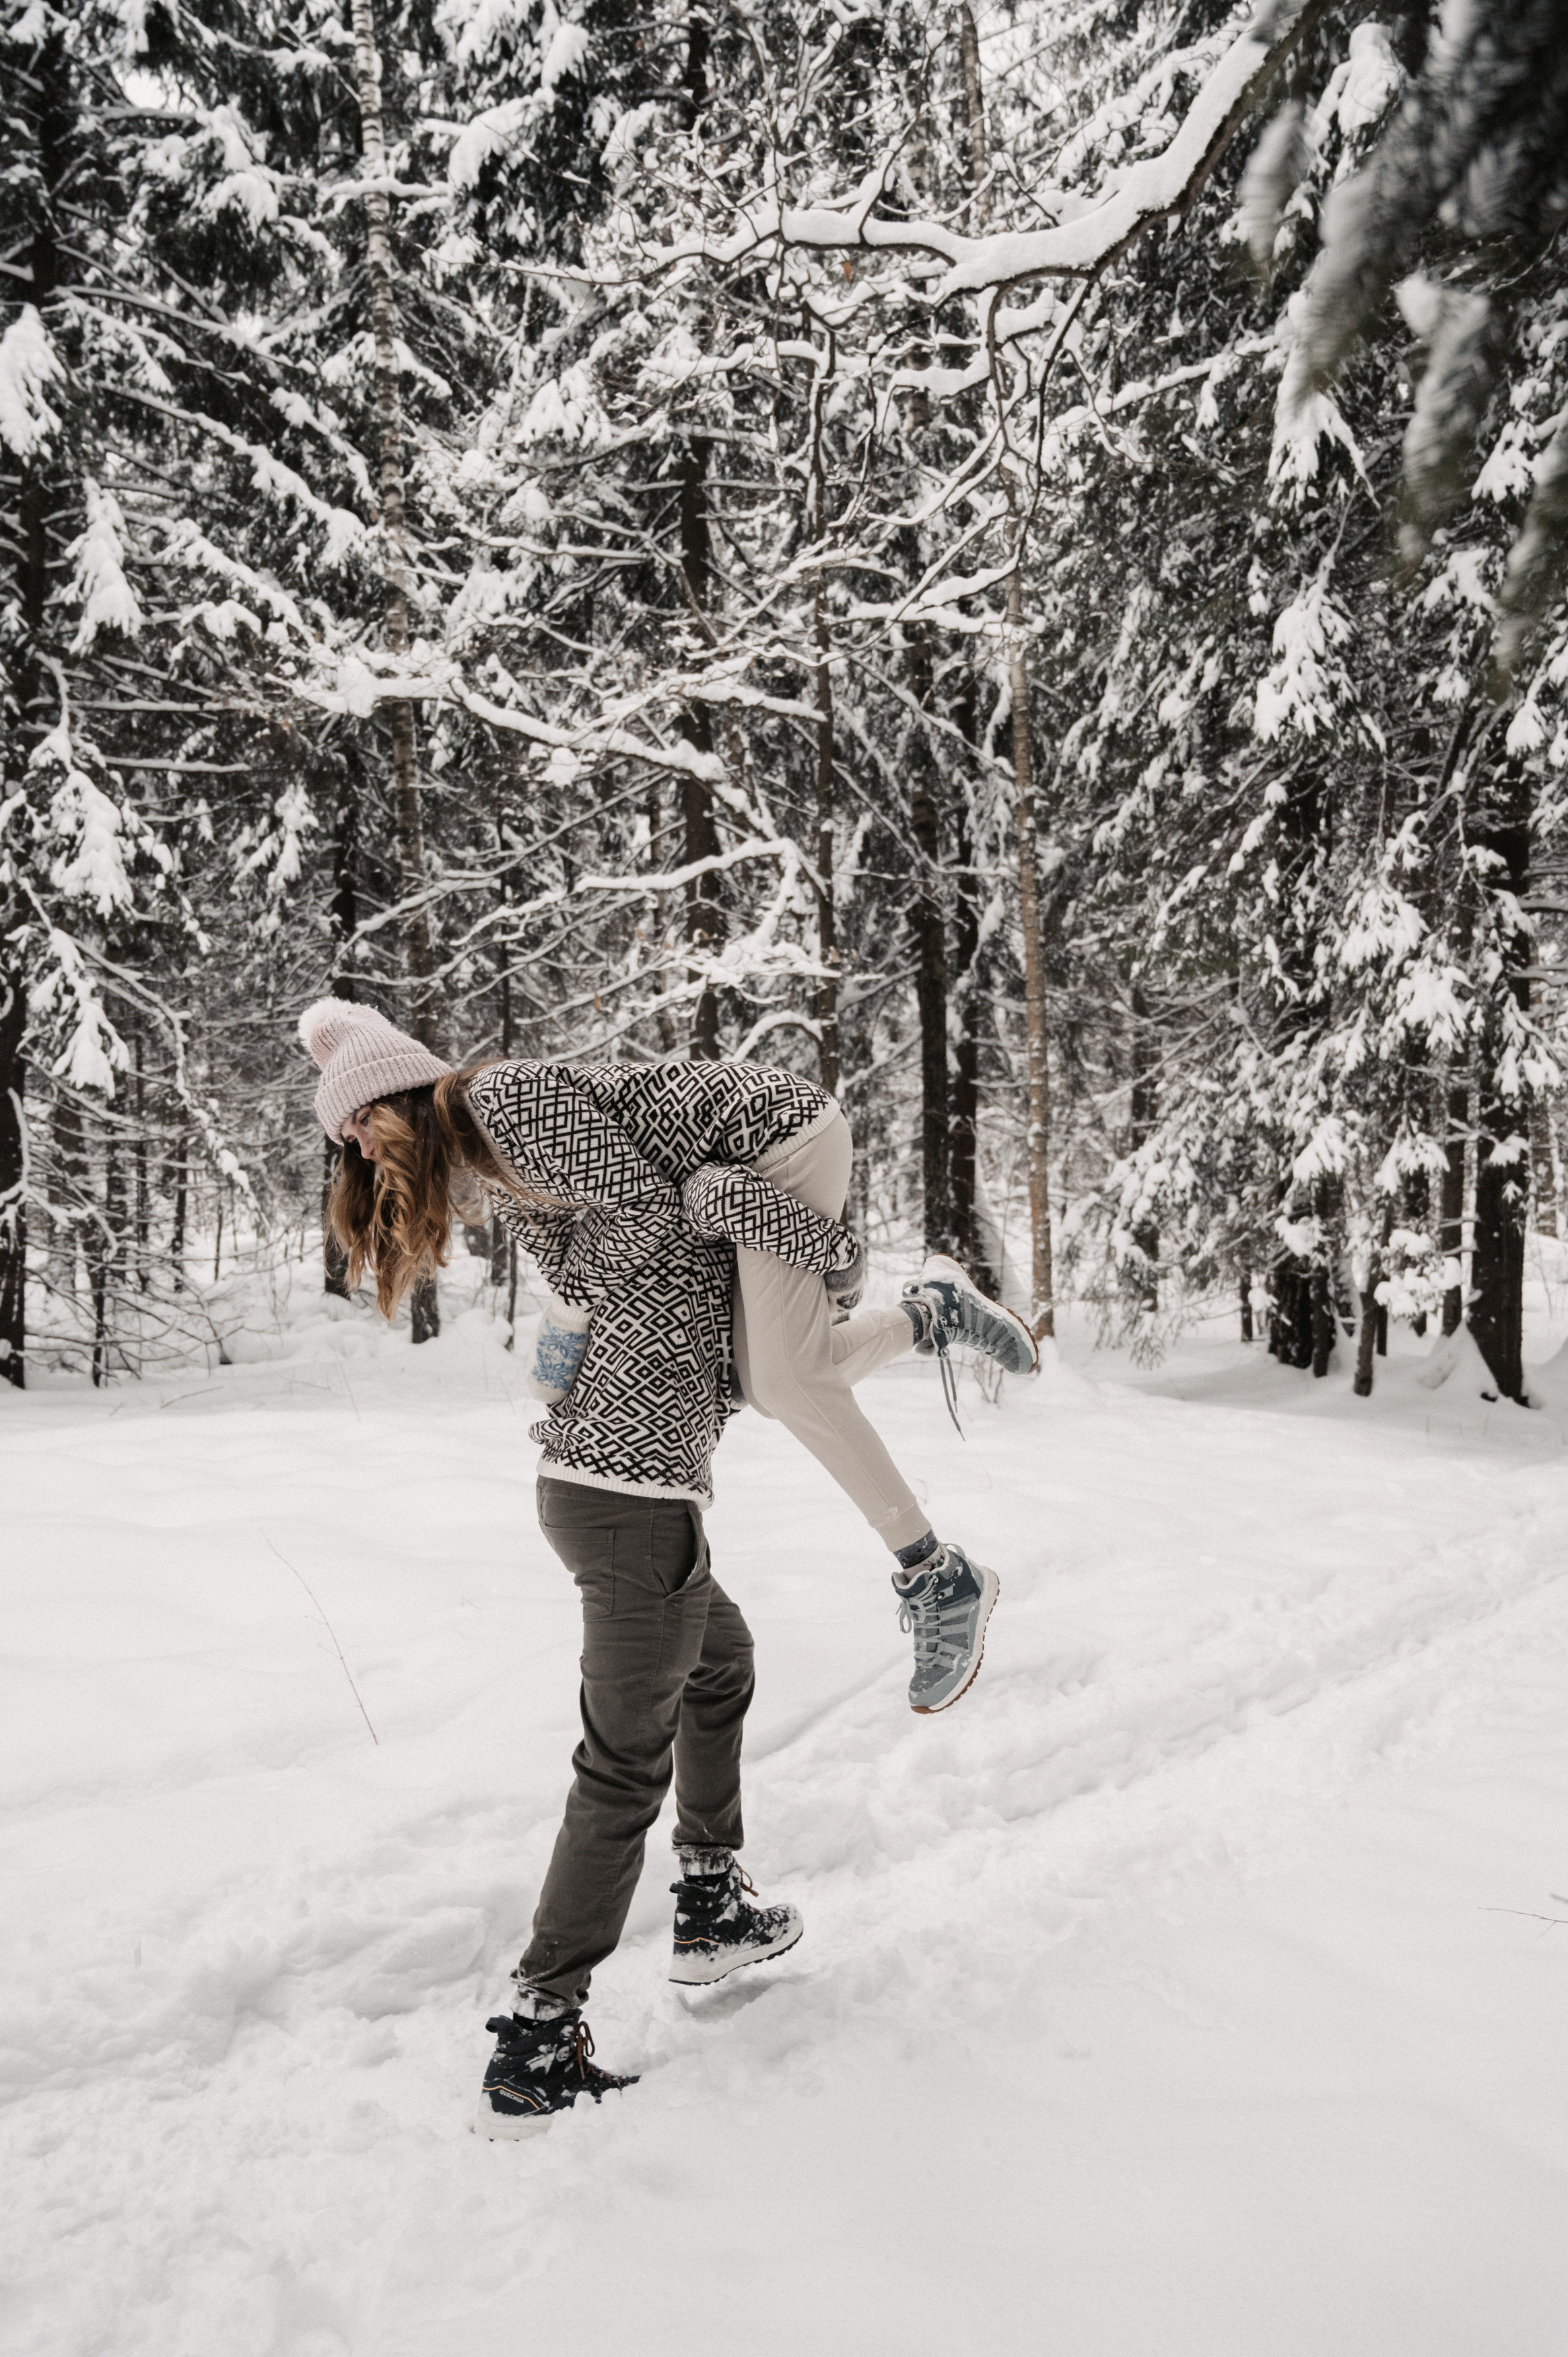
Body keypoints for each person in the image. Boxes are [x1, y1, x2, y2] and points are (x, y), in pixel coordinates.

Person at [298, 997, 1036, 2131]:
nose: (353, 1151)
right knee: (622, 1768)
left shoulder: (503, 1103)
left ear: (392, 1097)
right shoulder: (521, 1175)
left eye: (354, 1129)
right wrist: (788, 1254)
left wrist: (797, 1251)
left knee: (722, 1659)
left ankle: (710, 1901)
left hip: (619, 1489)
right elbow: (624, 1248)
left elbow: (644, 1223)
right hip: (627, 1504)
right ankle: (540, 2035)